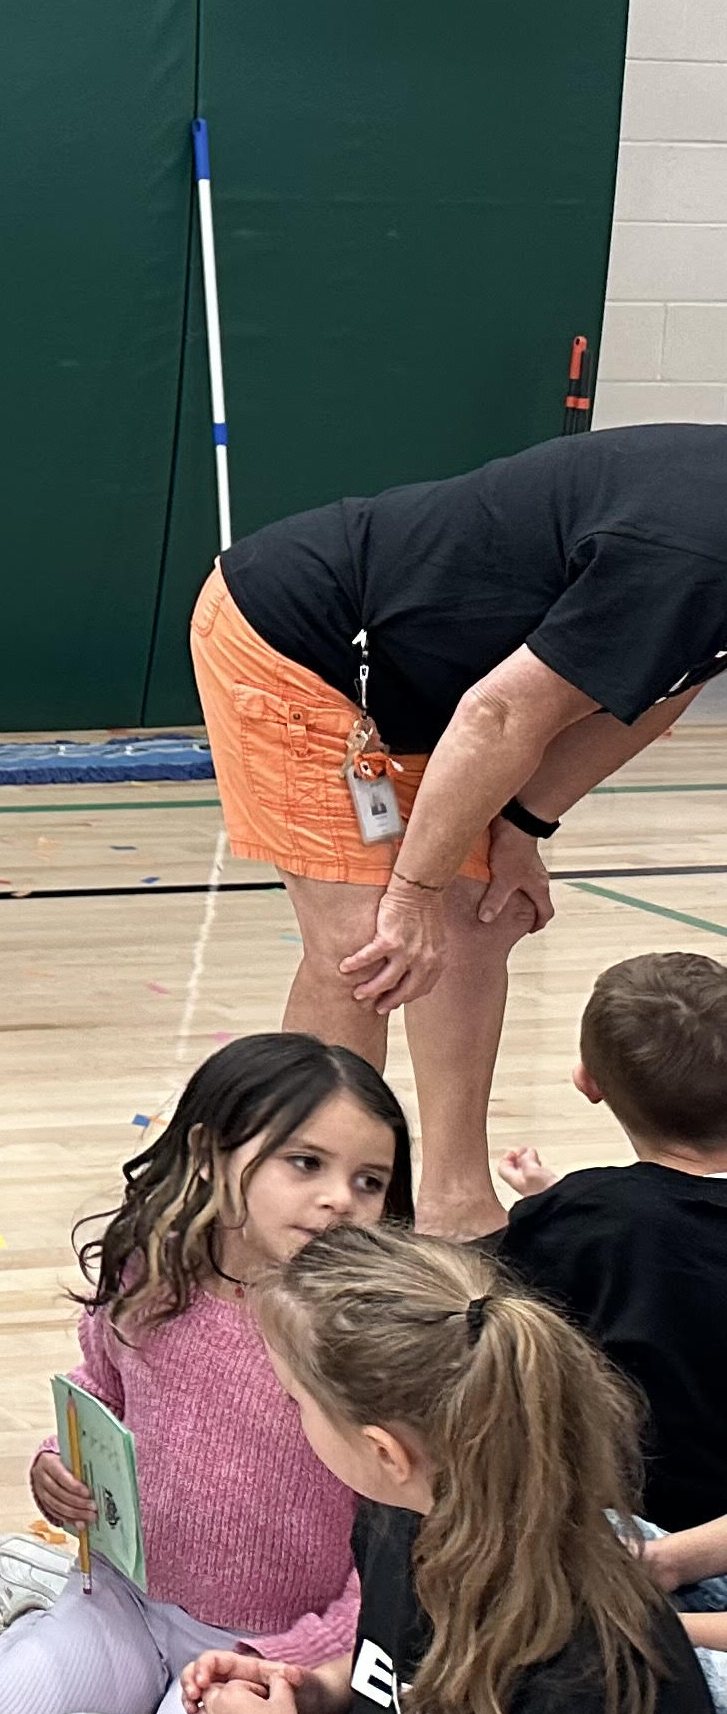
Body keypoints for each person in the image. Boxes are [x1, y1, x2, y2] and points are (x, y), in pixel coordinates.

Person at [30, 1226, 720, 1714]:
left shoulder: (593, 1672)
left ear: (383, 1451)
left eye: (296, 1401)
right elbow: (404, 1668)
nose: (289, 1414)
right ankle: (25, 1578)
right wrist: (315, 1693)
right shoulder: (411, 1512)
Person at [195, 425, 727, 1236]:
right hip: (303, 639)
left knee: (483, 915)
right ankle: (298, 1220)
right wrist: (412, 891)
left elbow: (660, 692)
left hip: (439, 686)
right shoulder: (692, 547)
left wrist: (519, 825)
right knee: (367, 945)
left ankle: (453, 1202)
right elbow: (502, 711)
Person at [0, 1035, 410, 1714]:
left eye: (370, 1181)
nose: (340, 1199)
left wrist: (316, 1658)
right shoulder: (151, 1274)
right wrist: (55, 1463)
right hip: (128, 1596)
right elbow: (98, 1386)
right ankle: (41, 1590)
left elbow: (404, 1543)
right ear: (208, 1153)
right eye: (307, 1164)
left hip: (271, 1644)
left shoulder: (376, 1343)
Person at [492, 948, 727, 1714]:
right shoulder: (589, 1216)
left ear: (588, 1084)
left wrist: (550, 1211)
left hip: (628, 1540)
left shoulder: (585, 1221)